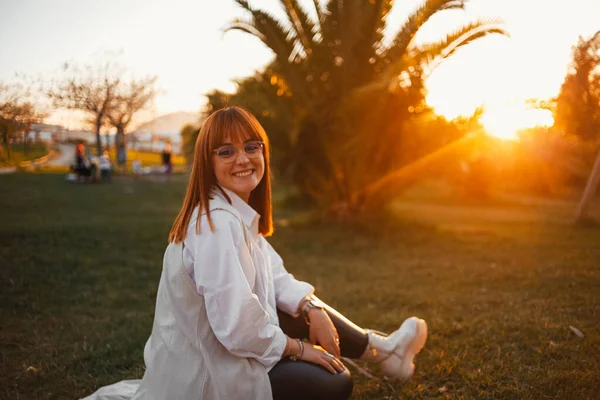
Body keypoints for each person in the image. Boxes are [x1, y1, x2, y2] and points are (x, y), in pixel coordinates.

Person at [82, 107, 428, 400]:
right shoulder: (214, 225)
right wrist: (299, 348)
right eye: (226, 151)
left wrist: (312, 309)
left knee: (294, 304)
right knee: (335, 383)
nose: (243, 159)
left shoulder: (236, 216)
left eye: (251, 147)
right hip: (210, 374)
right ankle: (385, 353)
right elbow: (236, 325)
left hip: (233, 352)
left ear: (264, 153)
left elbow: (277, 278)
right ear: (208, 162)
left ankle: (386, 353)